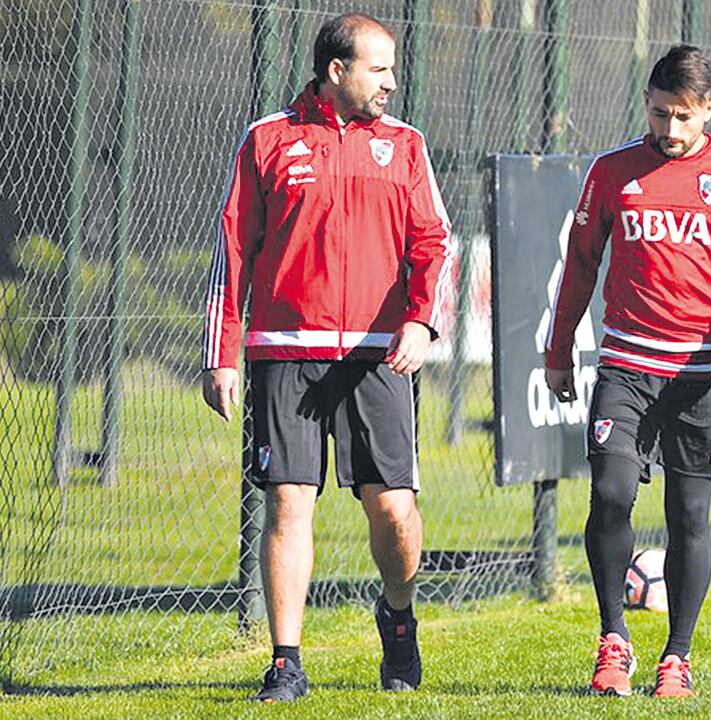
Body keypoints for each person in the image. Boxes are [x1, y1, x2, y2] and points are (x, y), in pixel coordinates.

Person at [201, 13, 452, 702]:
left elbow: (435, 245)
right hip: (284, 353)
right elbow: (233, 250)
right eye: (379, 70)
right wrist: (221, 354)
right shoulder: (267, 140)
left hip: (379, 359)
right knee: (288, 504)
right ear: (336, 70)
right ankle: (286, 661)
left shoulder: (405, 146)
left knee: (394, 512)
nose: (391, 85)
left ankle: (398, 618)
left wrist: (421, 325)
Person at [545, 44, 711, 699]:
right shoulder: (612, 172)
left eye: (683, 117)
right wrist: (558, 347)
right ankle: (613, 640)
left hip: (705, 376)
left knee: (690, 517)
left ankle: (676, 658)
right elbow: (580, 262)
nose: (670, 131)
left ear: (707, 109)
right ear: (645, 102)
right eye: (659, 114)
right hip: (625, 365)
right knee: (611, 490)